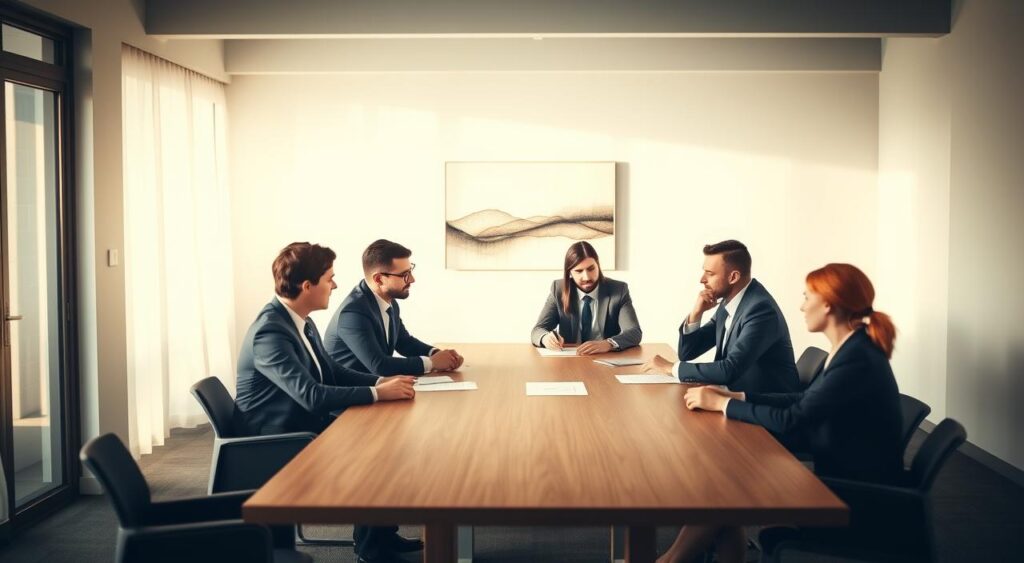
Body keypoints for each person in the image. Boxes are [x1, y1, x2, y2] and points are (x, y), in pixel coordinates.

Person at [656, 263, 903, 563]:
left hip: (856, 499)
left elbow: (792, 420)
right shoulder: (852, 348)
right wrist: (738, 396)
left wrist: (724, 404)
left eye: (806, 297)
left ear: (828, 304)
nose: (801, 306)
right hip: (843, 472)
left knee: (727, 488)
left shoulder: (856, 359)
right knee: (728, 486)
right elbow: (802, 399)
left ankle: (670, 560)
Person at [233, 242, 422, 563]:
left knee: (386, 440)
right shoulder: (271, 333)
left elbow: (331, 371)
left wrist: (380, 382)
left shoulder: (299, 320)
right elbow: (310, 394)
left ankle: (380, 539)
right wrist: (379, 393)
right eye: (329, 279)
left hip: (301, 422)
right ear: (307, 286)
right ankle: (372, 551)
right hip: (275, 439)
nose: (335, 285)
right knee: (375, 449)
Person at [642, 240, 799, 393]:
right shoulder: (729, 303)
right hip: (734, 395)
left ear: (733, 277)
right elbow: (688, 353)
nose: (702, 280)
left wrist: (670, 367)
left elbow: (729, 369)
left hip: (765, 407)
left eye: (709, 273)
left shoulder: (760, 310)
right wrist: (696, 313)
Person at [325, 239, 463, 376]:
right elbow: (379, 365)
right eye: (404, 275)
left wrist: (438, 354)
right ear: (379, 279)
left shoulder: (388, 301)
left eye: (410, 271)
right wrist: (432, 363)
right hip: (353, 393)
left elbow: (404, 342)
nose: (412, 279)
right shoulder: (353, 313)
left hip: (376, 387)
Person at [531, 241, 642, 354]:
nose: (586, 277)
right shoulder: (558, 289)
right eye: (579, 271)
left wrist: (608, 344)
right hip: (570, 360)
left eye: (591, 269)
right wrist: (545, 338)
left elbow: (634, 332)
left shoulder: (618, 290)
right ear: (569, 272)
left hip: (606, 358)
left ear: (598, 265)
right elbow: (537, 330)